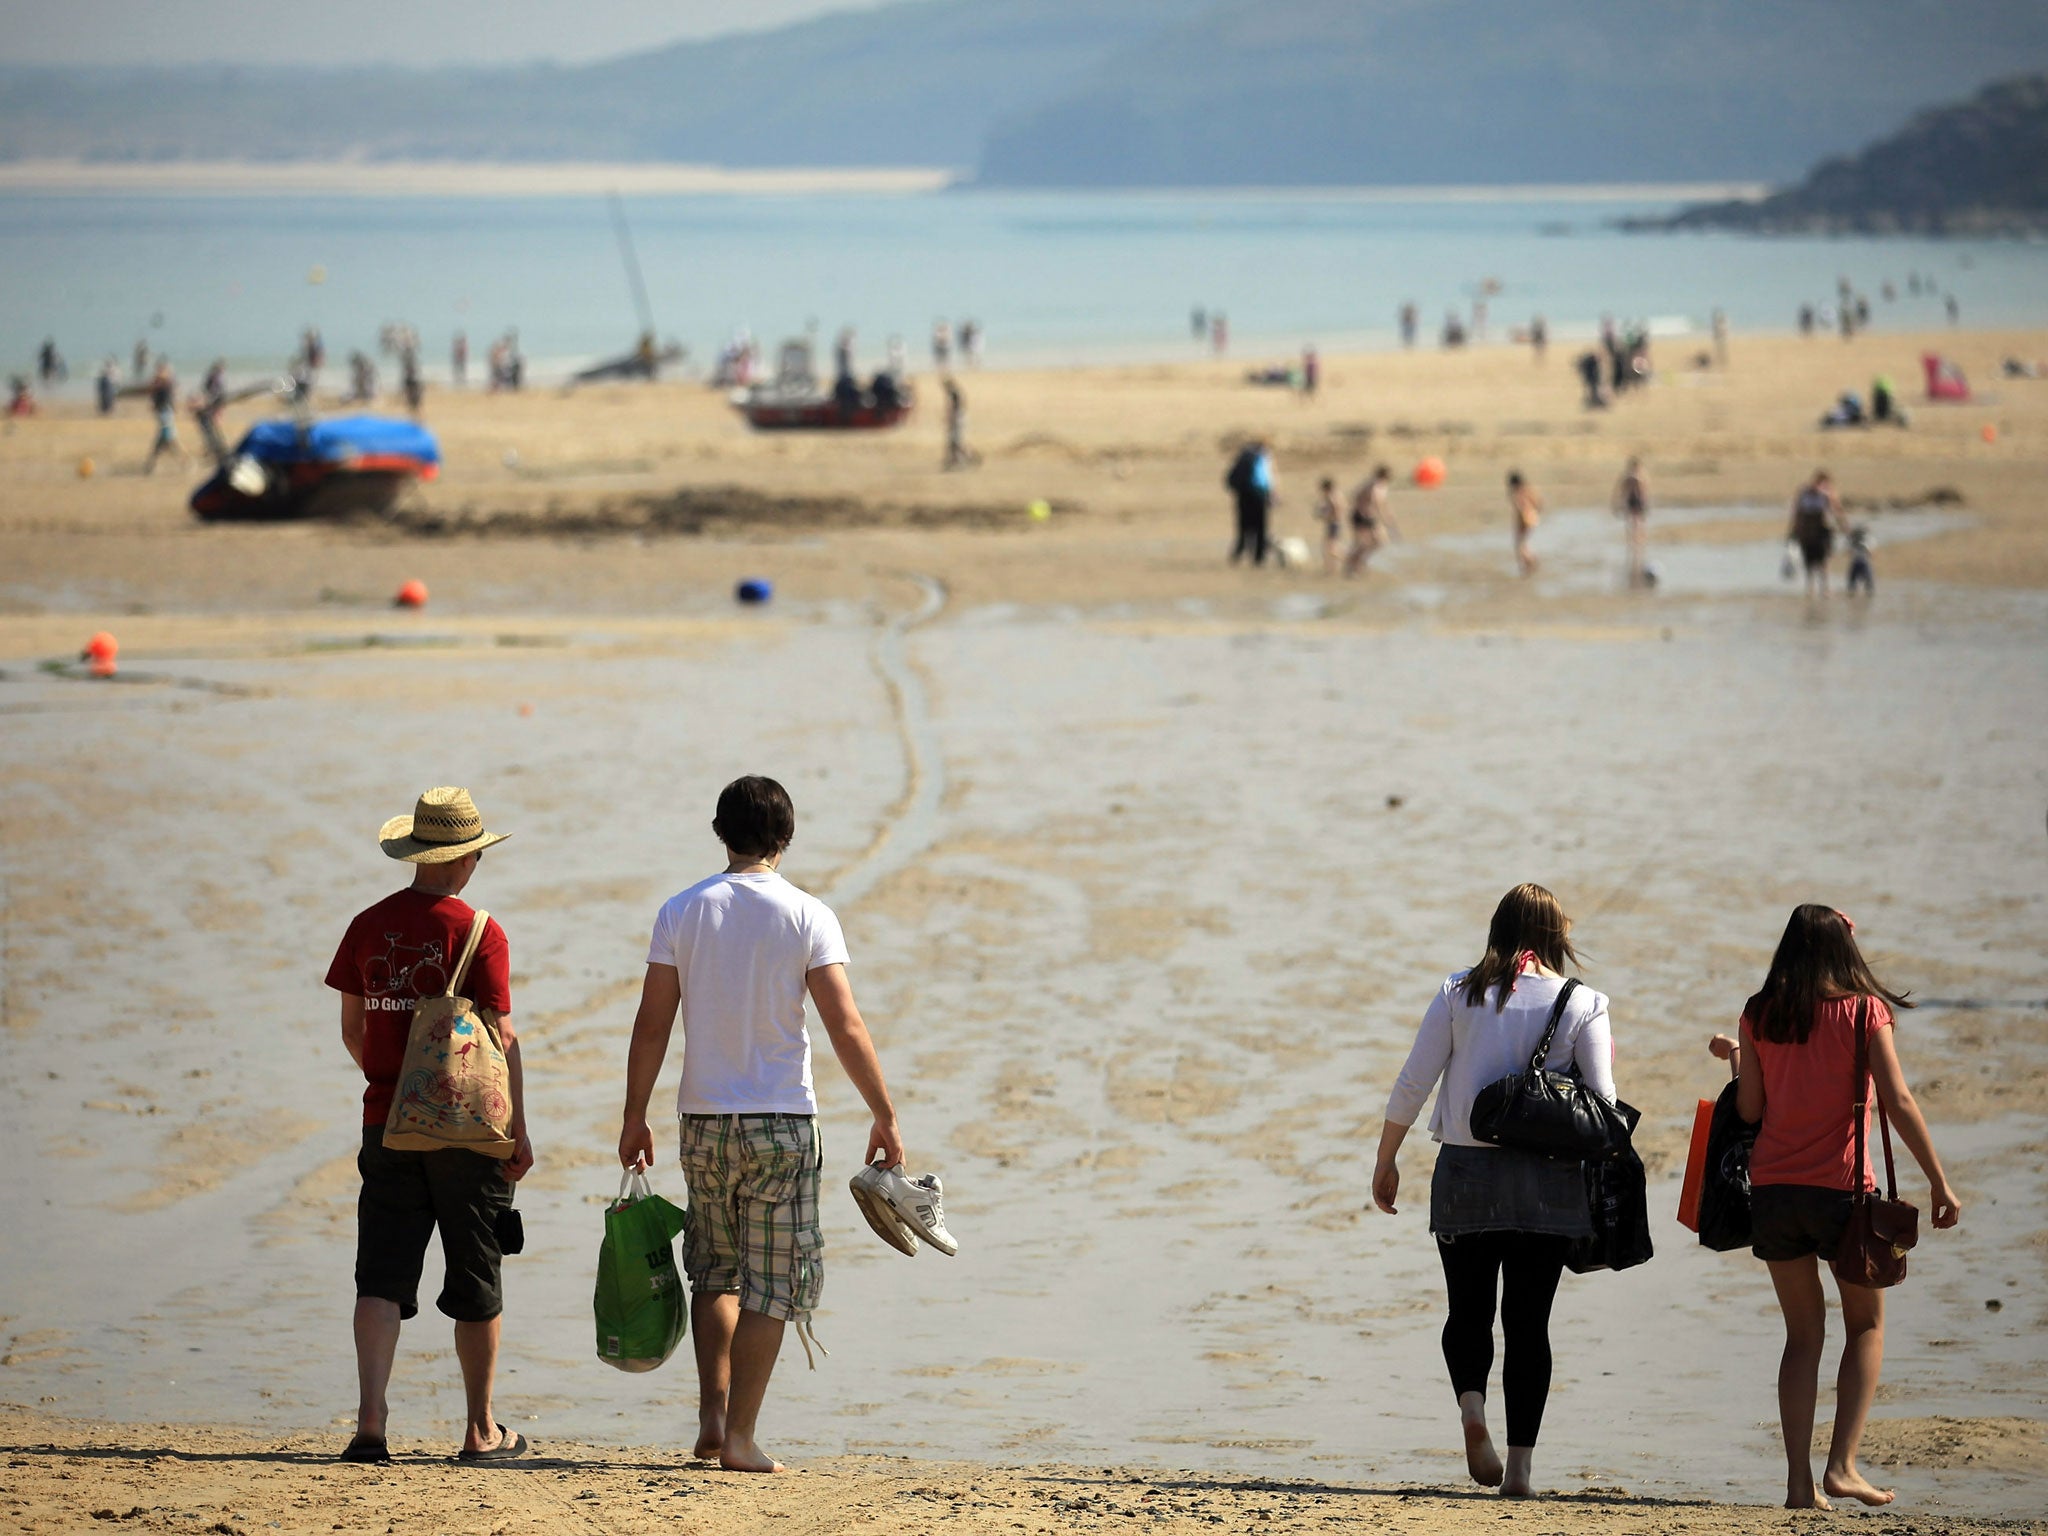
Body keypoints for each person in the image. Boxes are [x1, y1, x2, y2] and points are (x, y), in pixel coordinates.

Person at [619, 776, 907, 1474]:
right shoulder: (808, 914)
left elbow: (652, 1022)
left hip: (703, 1121)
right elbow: (843, 1023)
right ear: (786, 838)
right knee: (774, 1284)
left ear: (721, 832)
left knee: (715, 1271)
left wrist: (633, 1115)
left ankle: (713, 1415)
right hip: (781, 1122)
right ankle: (742, 1438)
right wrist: (885, 1114)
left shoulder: (681, 911)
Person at [1707, 907, 1959, 1510]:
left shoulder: (1759, 1012)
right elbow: (1896, 1099)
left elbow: (1749, 1111)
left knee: (1801, 1338)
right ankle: (1841, 1467)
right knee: (1866, 1326)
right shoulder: (1864, 1012)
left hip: (1772, 1194)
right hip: (1843, 1196)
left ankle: (1798, 1484)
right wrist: (1940, 1184)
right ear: (1841, 951)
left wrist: (1739, 1061)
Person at [1374, 884, 1615, 1499]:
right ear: (1555, 936)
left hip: (1464, 1174)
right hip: (1548, 1182)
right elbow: (1604, 1107)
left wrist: (1387, 1158)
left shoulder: (1458, 992)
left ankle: (1472, 1411)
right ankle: (1523, 1473)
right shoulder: (1583, 1001)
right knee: (1529, 1323)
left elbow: (1414, 1080)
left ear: (1498, 929)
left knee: (1468, 1309)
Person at [323, 787, 533, 1465]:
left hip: (387, 1124)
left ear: (417, 851)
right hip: (467, 1134)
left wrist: (392, 1085)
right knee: (475, 1274)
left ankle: (371, 1424)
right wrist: (519, 1130)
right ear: (468, 857)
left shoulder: (365, 924)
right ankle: (479, 1430)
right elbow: (501, 1037)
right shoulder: (481, 932)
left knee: (380, 1276)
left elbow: (354, 1030)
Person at [1788, 471, 1845, 598]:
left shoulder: (1828, 494)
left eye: (1825, 484)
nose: (1820, 486)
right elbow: (1797, 512)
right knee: (1809, 561)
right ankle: (1810, 588)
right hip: (1807, 531)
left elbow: (1838, 511)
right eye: (1819, 483)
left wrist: (1844, 527)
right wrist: (1793, 530)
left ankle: (1826, 588)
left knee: (1824, 560)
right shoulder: (1804, 493)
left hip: (1823, 530)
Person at [1224, 439, 1272, 566]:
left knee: (1243, 526)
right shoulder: (1261, 458)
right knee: (1260, 527)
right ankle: (1258, 556)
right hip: (1259, 496)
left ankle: (1239, 551)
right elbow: (1266, 480)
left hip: (1243, 497)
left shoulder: (1242, 458)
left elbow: (1231, 479)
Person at [1344, 465, 1397, 576]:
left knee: (1379, 542)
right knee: (1364, 543)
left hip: (1369, 517)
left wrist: (1387, 514)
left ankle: (1358, 562)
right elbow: (1377, 504)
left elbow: (1381, 503)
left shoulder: (1380, 486)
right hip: (1361, 516)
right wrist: (1386, 519)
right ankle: (1352, 564)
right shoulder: (1373, 486)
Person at [1612, 457, 1650, 587]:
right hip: (1634, 500)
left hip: (1635, 500)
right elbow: (1624, 490)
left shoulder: (1635, 476)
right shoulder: (1634, 476)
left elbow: (1643, 489)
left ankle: (1636, 543)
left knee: (1636, 522)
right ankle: (1636, 542)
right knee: (1635, 522)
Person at [143, 363, 185, 474]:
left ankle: (150, 465)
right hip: (163, 415)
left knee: (166, 441)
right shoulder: (160, 386)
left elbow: (167, 401)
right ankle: (151, 465)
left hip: (165, 415)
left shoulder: (166, 386)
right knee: (169, 442)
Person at [1507, 471, 1542, 576]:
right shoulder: (1529, 490)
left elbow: (1520, 507)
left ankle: (1530, 564)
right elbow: (1539, 503)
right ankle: (1529, 565)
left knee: (1520, 545)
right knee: (1523, 544)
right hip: (1533, 518)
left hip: (1524, 519)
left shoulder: (1517, 493)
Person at [943, 377, 976, 470]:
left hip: (957, 419)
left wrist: (950, 420)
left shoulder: (953, 395)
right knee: (955, 443)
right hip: (960, 418)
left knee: (955, 442)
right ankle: (955, 461)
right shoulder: (957, 394)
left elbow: (953, 409)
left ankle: (965, 459)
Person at [1314, 476, 1343, 575]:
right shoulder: (1337, 494)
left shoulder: (1331, 496)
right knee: (1330, 547)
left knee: (1331, 549)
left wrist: (1325, 516)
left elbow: (1335, 508)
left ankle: (1348, 560)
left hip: (1333, 524)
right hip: (1335, 524)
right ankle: (1332, 568)